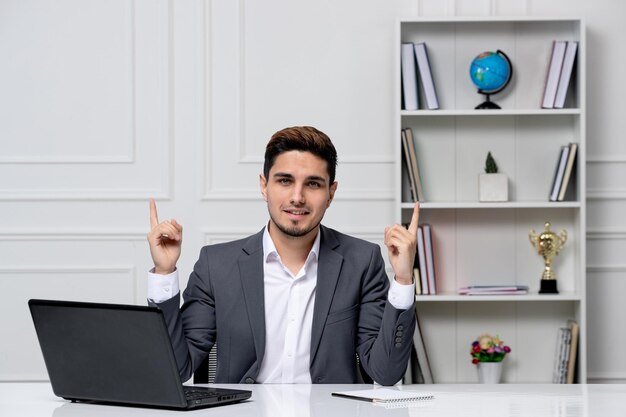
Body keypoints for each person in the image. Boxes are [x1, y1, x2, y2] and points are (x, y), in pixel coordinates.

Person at [147, 126, 419, 385]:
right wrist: (164, 273)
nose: (297, 197)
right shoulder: (216, 265)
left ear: (330, 193)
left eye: (312, 184)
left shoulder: (362, 262)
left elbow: (385, 373)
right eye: (285, 181)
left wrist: (404, 279)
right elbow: (177, 368)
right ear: (264, 186)